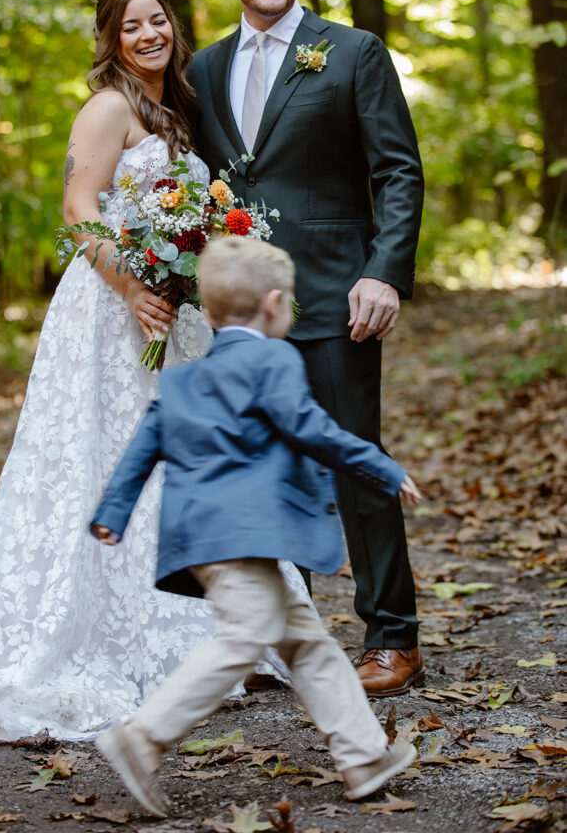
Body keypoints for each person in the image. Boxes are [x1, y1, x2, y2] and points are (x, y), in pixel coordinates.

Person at [0, 0, 290, 748]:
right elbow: (80, 207)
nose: (148, 35)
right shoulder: (108, 106)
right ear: (109, 39)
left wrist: (188, 265)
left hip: (172, 309)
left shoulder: (172, 107)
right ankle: (95, 633)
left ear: (173, 27)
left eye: (157, 21)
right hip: (112, 306)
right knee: (101, 457)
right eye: (130, 26)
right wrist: (136, 287)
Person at [90, 237, 420, 818]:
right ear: (274, 305)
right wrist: (381, 466)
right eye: (291, 301)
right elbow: (312, 428)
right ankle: (142, 738)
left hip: (205, 542)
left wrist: (112, 514)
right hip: (245, 537)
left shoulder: (187, 379)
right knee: (244, 638)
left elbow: (145, 445)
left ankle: (364, 756)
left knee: (308, 644)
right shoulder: (275, 359)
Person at [189, 0, 426, 697]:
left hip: (335, 292)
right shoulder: (203, 70)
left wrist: (384, 270)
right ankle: (278, 640)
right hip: (239, 307)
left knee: (354, 460)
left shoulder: (353, 52)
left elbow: (397, 170)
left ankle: (392, 637)